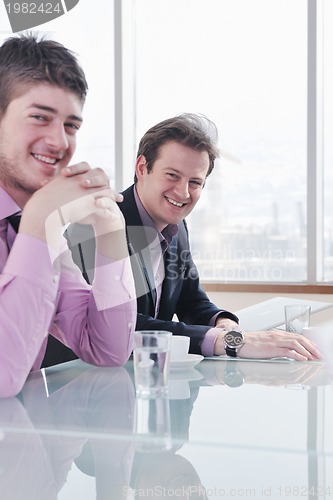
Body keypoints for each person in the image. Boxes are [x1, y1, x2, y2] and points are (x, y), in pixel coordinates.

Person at [69, 113, 321, 362]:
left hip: (147, 378)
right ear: (142, 168)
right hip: (80, 380)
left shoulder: (177, 227)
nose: (182, 192)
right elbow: (121, 325)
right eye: (172, 175)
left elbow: (190, 299)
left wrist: (224, 323)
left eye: (195, 182)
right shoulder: (96, 225)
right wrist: (231, 343)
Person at [0, 33, 136, 398]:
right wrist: (43, 217)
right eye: (39, 117)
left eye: (71, 125)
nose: (60, 142)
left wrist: (110, 228)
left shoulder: (33, 229)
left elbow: (107, 349)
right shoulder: (39, 224)